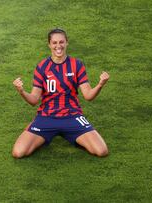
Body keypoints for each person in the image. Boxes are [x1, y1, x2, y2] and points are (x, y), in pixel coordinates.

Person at [12, 28, 109, 158]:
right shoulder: (42, 67)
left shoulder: (77, 65)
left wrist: (100, 84)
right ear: (49, 45)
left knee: (101, 151)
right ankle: (40, 130)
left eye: (61, 42)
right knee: (18, 153)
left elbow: (88, 96)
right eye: (55, 43)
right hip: (46, 117)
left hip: (72, 116)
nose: (58, 46)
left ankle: (67, 133)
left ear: (67, 43)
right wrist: (22, 91)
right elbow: (34, 100)